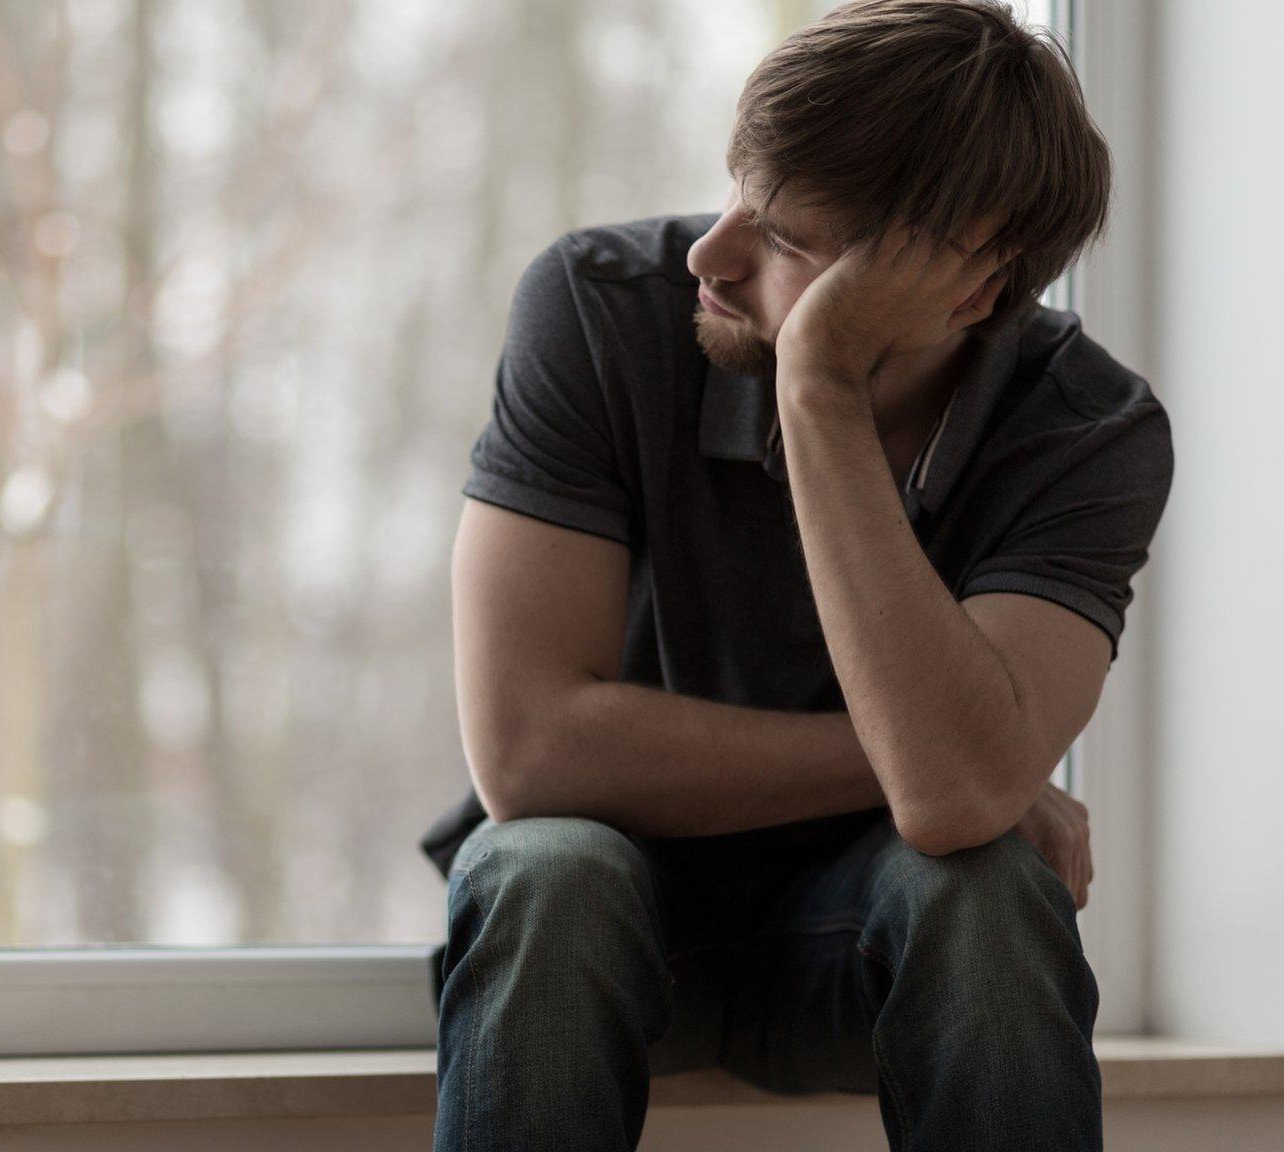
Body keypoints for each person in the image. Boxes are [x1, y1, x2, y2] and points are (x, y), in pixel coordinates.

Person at [425, 2, 1175, 1149]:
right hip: (611, 930)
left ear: (966, 289)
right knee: (543, 870)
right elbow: (528, 752)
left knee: (980, 891)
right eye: (735, 194)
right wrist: (947, 762)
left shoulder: (1087, 432)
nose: (709, 254)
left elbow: (949, 812)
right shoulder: (593, 307)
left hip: (868, 948)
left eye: (785, 240)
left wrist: (816, 384)